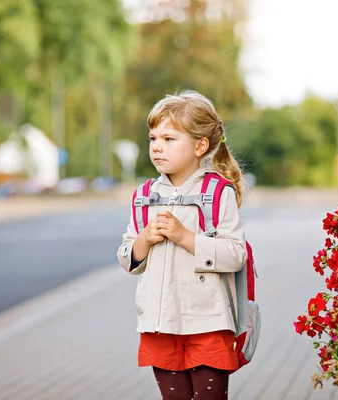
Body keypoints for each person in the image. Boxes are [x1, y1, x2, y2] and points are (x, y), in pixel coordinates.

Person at [117, 90, 247, 400]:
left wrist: (185, 237)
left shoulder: (217, 193)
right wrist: (144, 239)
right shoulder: (144, 195)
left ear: (200, 146)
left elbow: (236, 255)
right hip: (160, 324)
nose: (157, 147)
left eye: (169, 139)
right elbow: (127, 260)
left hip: (208, 323)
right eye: (153, 138)